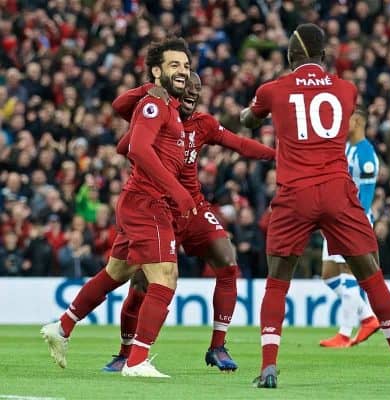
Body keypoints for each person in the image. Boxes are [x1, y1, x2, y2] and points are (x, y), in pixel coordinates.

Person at [240, 23, 390, 388]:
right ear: (324, 57)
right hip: (338, 191)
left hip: (294, 194)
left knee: (277, 283)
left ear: (290, 57)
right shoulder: (347, 90)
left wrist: (248, 114)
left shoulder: (272, 90)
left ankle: (269, 368)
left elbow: (250, 118)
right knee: (371, 276)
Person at [41, 37, 196, 378]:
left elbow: (124, 144)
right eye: (174, 65)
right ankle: (137, 360)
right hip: (147, 202)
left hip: (140, 201)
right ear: (157, 71)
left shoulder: (165, 106)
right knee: (165, 277)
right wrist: (178, 192)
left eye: (185, 65)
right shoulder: (155, 104)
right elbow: (138, 150)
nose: (183, 71)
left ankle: (62, 326)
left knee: (116, 273)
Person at [100, 71, 275, 373]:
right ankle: (125, 352)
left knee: (228, 262)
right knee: (141, 284)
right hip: (157, 208)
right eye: (187, 88)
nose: (193, 93)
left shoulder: (203, 124)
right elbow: (123, 146)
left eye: (197, 89)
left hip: (192, 206)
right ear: (176, 92)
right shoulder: (159, 118)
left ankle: (217, 346)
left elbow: (240, 144)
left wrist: (278, 156)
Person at [319, 108, 379, 348]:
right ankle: (367, 318)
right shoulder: (346, 148)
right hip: (335, 219)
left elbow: (365, 197)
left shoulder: (365, 155)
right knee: (329, 275)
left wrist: (353, 224)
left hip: (352, 222)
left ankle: (344, 334)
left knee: (348, 273)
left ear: (355, 122)